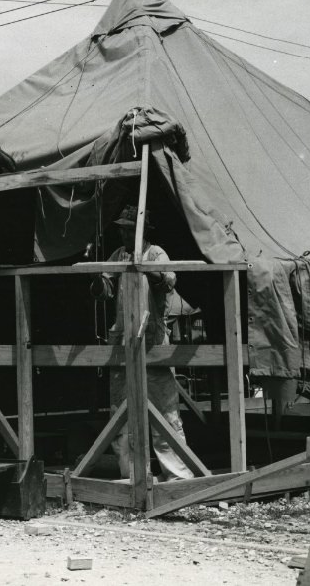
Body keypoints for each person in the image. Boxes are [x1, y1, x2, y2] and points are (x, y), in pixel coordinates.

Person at [90, 206, 194, 481]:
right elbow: (104, 289)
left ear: (141, 231)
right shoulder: (119, 254)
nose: (123, 232)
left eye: (128, 228)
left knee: (165, 412)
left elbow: (169, 281)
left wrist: (149, 271)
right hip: (123, 341)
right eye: (121, 228)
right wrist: (96, 278)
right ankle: (132, 477)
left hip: (152, 339)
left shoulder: (155, 253)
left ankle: (178, 478)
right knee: (122, 415)